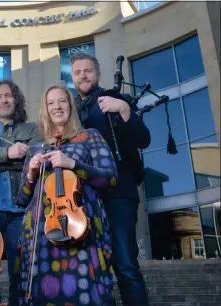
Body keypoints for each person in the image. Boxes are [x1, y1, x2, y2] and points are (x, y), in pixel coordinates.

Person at [9, 83, 118, 306]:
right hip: (40, 233)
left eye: (62, 101)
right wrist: (30, 173)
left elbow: (110, 178)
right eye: (50, 103)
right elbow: (21, 199)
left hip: (79, 226)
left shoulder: (89, 137)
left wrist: (73, 164)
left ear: (70, 105)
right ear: (45, 110)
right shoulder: (36, 149)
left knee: (83, 289)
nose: (56, 107)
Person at [70, 52, 151, 305]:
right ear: (72, 78)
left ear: (97, 74)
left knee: (125, 265)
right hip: (84, 198)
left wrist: (125, 109)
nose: (83, 75)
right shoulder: (70, 109)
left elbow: (143, 139)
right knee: (91, 267)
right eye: (77, 72)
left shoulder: (114, 99)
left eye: (88, 71)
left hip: (118, 195)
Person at [0, 79, 42, 302]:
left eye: (8, 95)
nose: (4, 100)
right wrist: (8, 154)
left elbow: (35, 158)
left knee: (19, 271)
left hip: (19, 210)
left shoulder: (31, 129)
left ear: (16, 99)